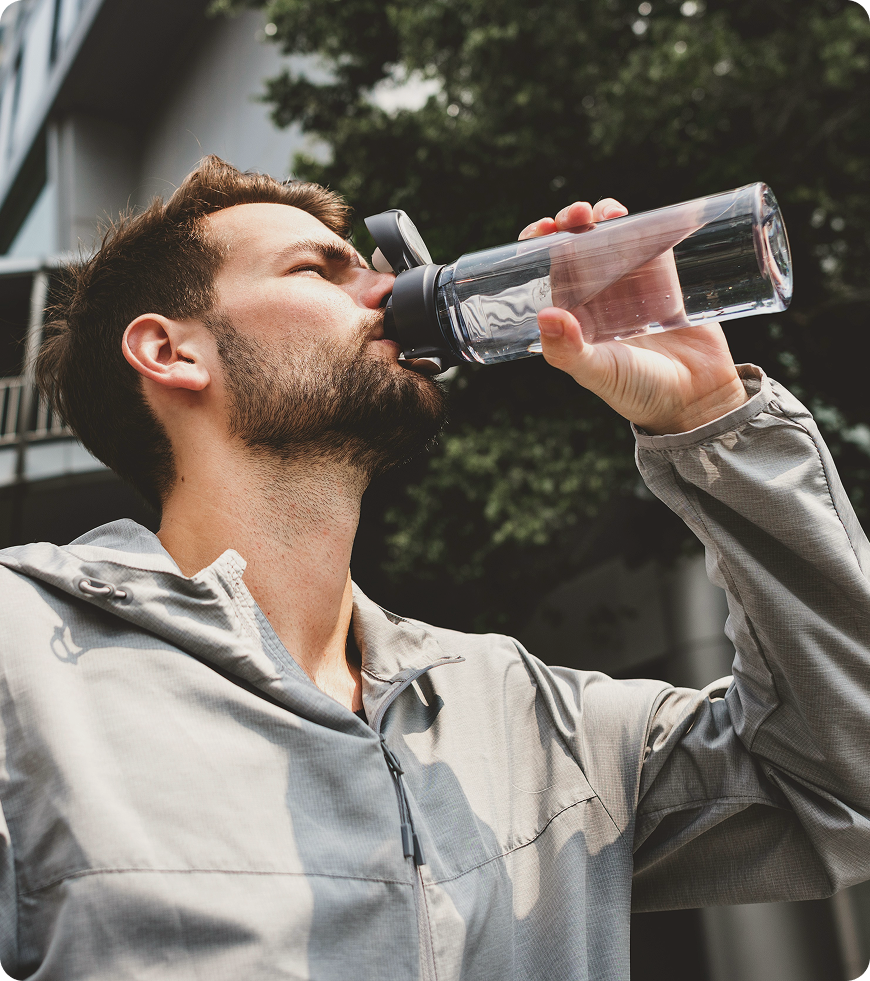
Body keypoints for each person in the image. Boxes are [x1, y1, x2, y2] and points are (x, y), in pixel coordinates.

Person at [0, 155, 868, 980]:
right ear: (171, 351)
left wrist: (711, 419)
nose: (384, 289)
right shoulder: (25, 658)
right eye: (319, 269)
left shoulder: (525, 717)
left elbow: (837, 788)